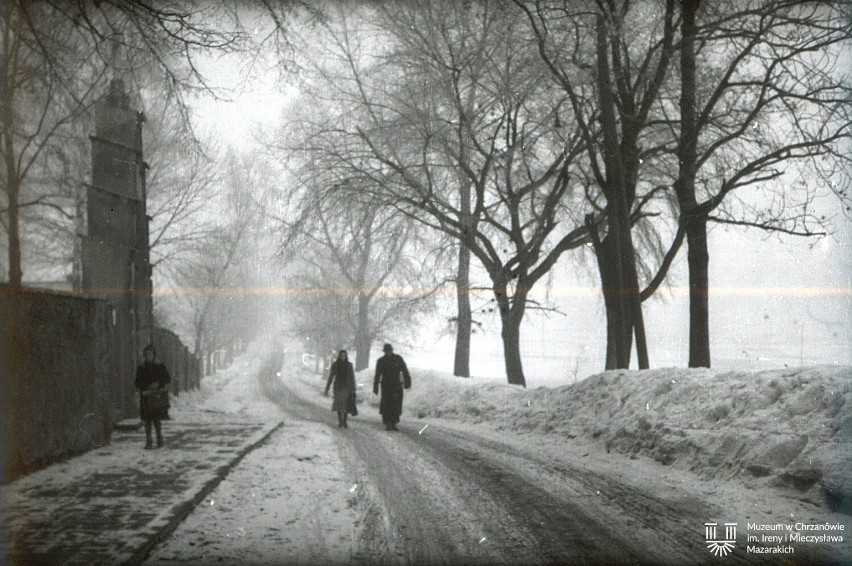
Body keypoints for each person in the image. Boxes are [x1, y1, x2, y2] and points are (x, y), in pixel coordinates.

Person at [134, 345, 171, 449]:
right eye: (146, 354)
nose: (148, 356)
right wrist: (145, 385)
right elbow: (136, 382)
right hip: (146, 396)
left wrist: (158, 383)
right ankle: (149, 441)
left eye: (150, 354)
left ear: (154, 355)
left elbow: (167, 378)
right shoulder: (141, 367)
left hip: (157, 396)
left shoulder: (159, 365)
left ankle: (160, 440)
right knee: (147, 419)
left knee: (156, 419)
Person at [373, 343, 411, 431]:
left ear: (391, 351)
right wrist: (375, 387)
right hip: (386, 386)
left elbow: (405, 370)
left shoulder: (398, 359)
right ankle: (387, 423)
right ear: (384, 352)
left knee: (396, 404)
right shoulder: (381, 361)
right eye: (386, 351)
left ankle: (394, 422)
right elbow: (377, 374)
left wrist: (407, 381)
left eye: (389, 351)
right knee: (386, 404)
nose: (388, 353)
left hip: (396, 385)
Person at [324, 349, 356, 428]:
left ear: (346, 356)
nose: (343, 357)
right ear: (339, 356)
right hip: (338, 387)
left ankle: (344, 421)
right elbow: (331, 377)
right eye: (341, 356)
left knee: (345, 405)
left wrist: (353, 389)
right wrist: (327, 389)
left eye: (344, 356)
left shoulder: (349, 365)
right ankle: (340, 421)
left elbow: (352, 378)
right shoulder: (335, 365)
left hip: (346, 388)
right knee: (338, 405)